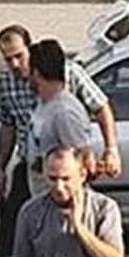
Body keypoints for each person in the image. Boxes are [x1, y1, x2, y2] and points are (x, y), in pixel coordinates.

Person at [0, 24, 119, 256]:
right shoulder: (16, 87)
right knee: (15, 237)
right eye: (7, 59)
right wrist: (1, 166)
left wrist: (110, 150)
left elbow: (84, 141)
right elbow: (7, 125)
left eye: (19, 56)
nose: (15, 65)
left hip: (56, 184)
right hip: (33, 171)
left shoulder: (64, 99)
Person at [26, 40, 95, 195]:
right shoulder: (45, 103)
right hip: (44, 199)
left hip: (63, 202)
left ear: (36, 72)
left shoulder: (64, 113)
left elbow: (82, 160)